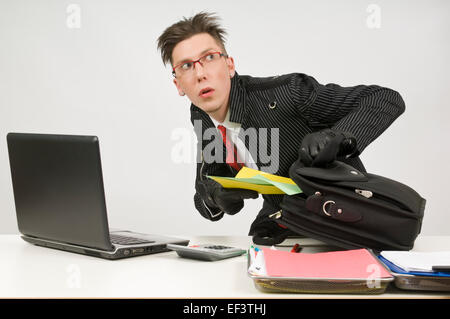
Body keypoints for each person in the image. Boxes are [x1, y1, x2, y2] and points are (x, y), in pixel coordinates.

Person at [157, 12, 405, 241]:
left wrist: (334, 137)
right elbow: (207, 187)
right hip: (283, 220)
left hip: (346, 216)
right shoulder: (200, 113)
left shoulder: (289, 92)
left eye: (209, 58)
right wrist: (215, 196)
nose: (200, 73)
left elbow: (384, 98)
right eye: (186, 66)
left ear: (230, 66)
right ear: (178, 84)